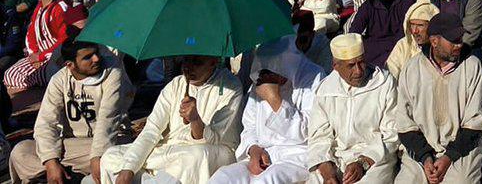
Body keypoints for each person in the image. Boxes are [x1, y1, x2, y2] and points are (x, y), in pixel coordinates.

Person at [100, 55, 243, 184]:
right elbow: (152, 130)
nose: (188, 67)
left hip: (210, 151)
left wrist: (195, 120)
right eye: (186, 60)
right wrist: (128, 168)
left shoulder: (231, 86)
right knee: (111, 156)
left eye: (197, 62)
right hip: (171, 149)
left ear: (213, 63)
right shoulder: (176, 84)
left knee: (196, 156)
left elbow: (214, 139)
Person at [10, 39, 133, 184]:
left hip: (109, 142)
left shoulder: (113, 73)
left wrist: (97, 156)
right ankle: (63, 173)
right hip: (71, 146)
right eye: (87, 57)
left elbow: (108, 120)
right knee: (21, 150)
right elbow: (46, 123)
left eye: (96, 53)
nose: (96, 59)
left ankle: (57, 175)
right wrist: (50, 161)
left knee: (114, 156)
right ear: (70, 65)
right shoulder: (59, 80)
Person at [210, 36, 325, 184]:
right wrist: (253, 149)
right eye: (264, 72)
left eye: (273, 72)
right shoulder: (261, 80)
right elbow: (249, 126)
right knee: (224, 177)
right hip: (263, 154)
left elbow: (309, 132)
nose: (266, 77)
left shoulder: (313, 78)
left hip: (297, 157)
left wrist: (275, 100)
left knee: (268, 180)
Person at [394, 13, 482, 184]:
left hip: (461, 151)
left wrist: (447, 158)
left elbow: (475, 123)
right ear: (434, 41)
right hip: (422, 151)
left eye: (460, 39)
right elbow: (405, 123)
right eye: (453, 40)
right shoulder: (412, 68)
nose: (459, 44)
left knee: (462, 181)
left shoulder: (472, 65)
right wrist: (425, 158)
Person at [307, 33, 399, 184]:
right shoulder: (326, 89)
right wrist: (327, 171)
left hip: (375, 158)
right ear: (336, 66)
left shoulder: (384, 83)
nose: (358, 71)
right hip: (337, 157)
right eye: (350, 65)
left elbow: (391, 133)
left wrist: (363, 163)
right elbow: (319, 136)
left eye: (361, 62)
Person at [4, 0, 69, 92]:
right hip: (38, 55)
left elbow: (64, 39)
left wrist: (41, 56)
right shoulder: (40, 6)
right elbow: (31, 33)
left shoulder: (60, 7)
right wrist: (34, 55)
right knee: (10, 75)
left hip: (56, 57)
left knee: (53, 74)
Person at [348, 0, 414, 69]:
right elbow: (355, 29)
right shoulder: (369, 5)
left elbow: (408, 29)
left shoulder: (406, 1)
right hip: (374, 46)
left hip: (399, 45)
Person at [385, 1, 438, 76]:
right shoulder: (403, 45)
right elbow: (392, 72)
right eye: (412, 24)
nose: (415, 31)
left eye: (420, 25)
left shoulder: (441, 47)